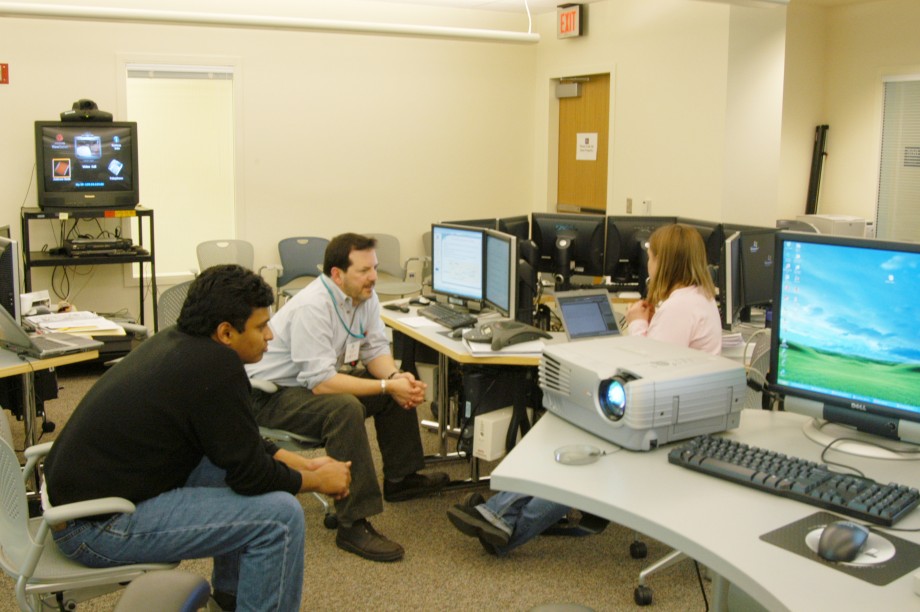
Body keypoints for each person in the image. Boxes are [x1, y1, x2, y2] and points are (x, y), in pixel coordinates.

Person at [44, 264, 352, 611]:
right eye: (262, 326)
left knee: (227, 475)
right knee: (280, 517)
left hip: (78, 508)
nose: (271, 336)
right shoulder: (217, 368)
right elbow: (253, 475)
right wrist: (317, 481)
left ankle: (231, 601)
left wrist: (305, 464)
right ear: (225, 333)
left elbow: (240, 446)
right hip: (96, 528)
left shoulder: (179, 341)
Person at [447, 222, 722, 555]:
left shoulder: (680, 306)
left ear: (667, 262)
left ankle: (506, 523)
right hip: (673, 414)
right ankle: (500, 515)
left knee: (580, 455)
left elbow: (648, 372)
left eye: (652, 257)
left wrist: (637, 321)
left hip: (664, 423)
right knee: (574, 437)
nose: (647, 263)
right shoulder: (696, 299)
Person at [245, 233, 448, 563]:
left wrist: (396, 379)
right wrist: (386, 387)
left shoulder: (365, 296)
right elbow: (322, 383)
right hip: (268, 396)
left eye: (375, 268)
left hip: (305, 384)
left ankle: (402, 477)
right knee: (345, 407)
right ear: (336, 274)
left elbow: (375, 349)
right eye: (364, 270)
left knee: (392, 381)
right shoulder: (313, 306)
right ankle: (352, 523)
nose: (372, 277)